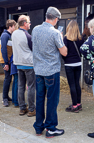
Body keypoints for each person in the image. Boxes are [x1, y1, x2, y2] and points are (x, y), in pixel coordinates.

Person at [32, 7, 67, 138]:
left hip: (38, 71)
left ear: (47, 16)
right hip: (51, 71)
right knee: (52, 100)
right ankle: (51, 128)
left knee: (40, 98)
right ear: (56, 19)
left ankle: (38, 127)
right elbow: (64, 52)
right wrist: (61, 40)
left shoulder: (35, 29)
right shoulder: (56, 33)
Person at [12, 15, 36, 117]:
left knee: (21, 86)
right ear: (25, 23)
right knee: (30, 87)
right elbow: (33, 49)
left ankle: (22, 108)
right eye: (29, 22)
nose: (30, 24)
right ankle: (31, 109)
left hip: (18, 63)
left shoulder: (14, 34)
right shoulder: (28, 36)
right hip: (29, 64)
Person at [62, 20, 85, 113]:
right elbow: (82, 51)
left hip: (69, 64)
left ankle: (74, 105)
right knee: (77, 84)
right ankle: (79, 104)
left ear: (69, 27)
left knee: (72, 85)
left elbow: (64, 53)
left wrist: (66, 59)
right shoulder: (80, 39)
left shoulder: (66, 38)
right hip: (78, 64)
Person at [0, 19, 16, 107]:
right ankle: (4, 98)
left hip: (9, 61)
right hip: (6, 61)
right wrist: (6, 63)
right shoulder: (5, 35)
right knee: (7, 79)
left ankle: (7, 97)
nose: (15, 27)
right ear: (10, 26)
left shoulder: (9, 35)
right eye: (14, 26)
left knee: (9, 79)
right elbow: (4, 49)